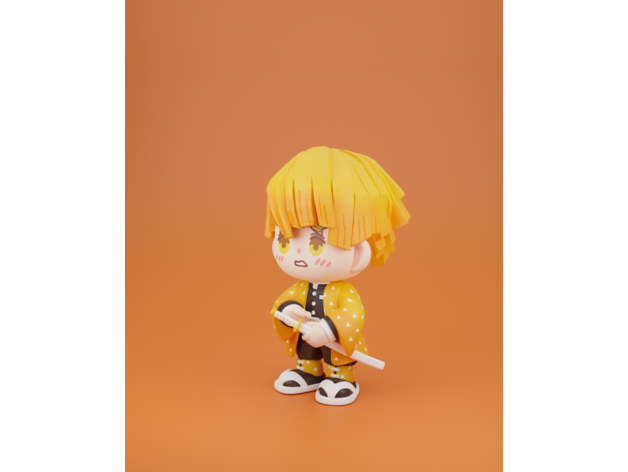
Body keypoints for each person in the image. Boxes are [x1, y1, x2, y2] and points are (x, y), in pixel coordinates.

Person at [266, 146, 410, 405]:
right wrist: (289, 311)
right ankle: (309, 372)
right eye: (285, 240)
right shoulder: (301, 287)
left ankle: (341, 378)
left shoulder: (344, 292)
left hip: (336, 344)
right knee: (306, 349)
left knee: (337, 356)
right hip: (306, 339)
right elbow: (282, 303)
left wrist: (328, 329)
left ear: (358, 252)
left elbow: (353, 315)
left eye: (316, 245)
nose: (297, 254)